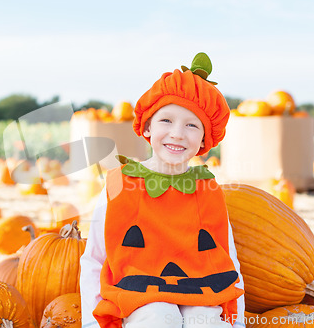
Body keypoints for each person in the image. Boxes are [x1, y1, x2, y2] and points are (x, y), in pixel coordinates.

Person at [80, 53, 245, 328]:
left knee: (204, 321)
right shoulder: (120, 184)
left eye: (192, 125)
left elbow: (228, 262)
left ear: (205, 139)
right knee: (158, 316)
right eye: (166, 121)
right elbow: (95, 257)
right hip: (137, 292)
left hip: (200, 290)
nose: (178, 133)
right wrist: (90, 322)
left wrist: (236, 322)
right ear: (146, 126)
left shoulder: (208, 190)